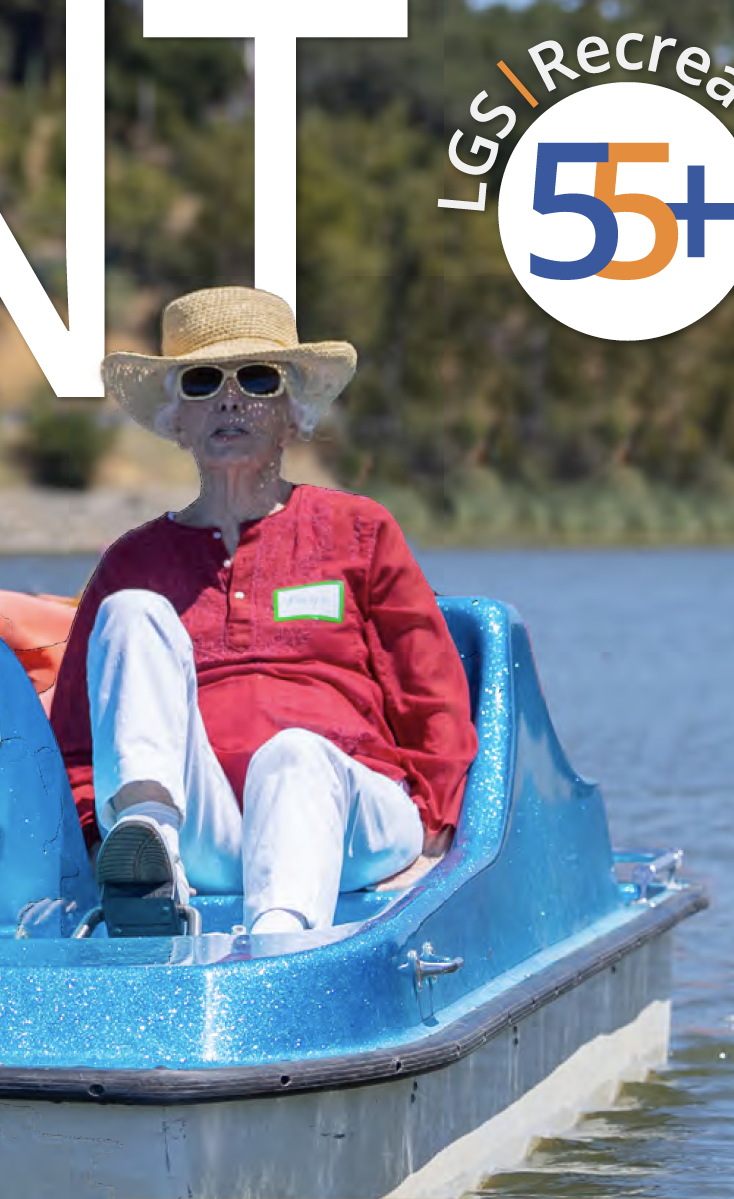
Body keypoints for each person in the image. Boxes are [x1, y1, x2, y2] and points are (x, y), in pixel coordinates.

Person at [49, 287, 477, 938]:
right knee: (133, 611)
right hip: (206, 831)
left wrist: (437, 834)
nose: (229, 398)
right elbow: (77, 739)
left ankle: (278, 954)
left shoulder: (359, 530)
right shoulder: (131, 561)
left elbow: (432, 693)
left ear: (292, 412)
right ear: (177, 420)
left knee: (294, 757)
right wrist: (89, 833)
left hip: (354, 817)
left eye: (256, 378)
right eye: (201, 382)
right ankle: (147, 857)